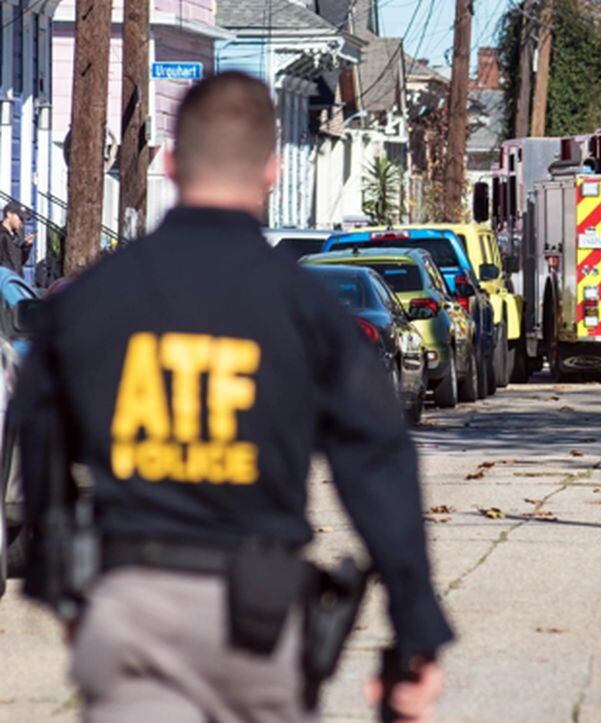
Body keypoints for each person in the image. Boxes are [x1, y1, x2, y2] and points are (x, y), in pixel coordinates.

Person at [12, 71, 452, 721]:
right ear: (271, 171)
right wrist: (415, 629)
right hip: (257, 619)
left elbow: (38, 443)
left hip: (126, 609)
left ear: (168, 162)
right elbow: (378, 463)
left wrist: (61, 588)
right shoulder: (307, 310)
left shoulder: (90, 300)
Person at [0, 201, 32, 274]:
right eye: (20, 218)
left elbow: (18, 262)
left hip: (15, 280)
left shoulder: (15, 236)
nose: (21, 222)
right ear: (9, 214)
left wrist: (26, 246)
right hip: (5, 282)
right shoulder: (2, 235)